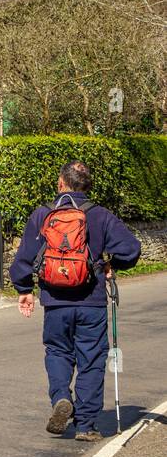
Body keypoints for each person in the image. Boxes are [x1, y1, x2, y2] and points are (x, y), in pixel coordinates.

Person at [10, 161, 140, 441]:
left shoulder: (43, 214)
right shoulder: (101, 216)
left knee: (57, 352)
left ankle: (60, 397)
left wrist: (24, 290)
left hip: (55, 301)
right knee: (91, 359)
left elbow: (24, 257)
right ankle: (86, 425)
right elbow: (131, 249)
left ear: (60, 183)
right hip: (91, 301)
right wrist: (110, 263)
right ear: (88, 186)